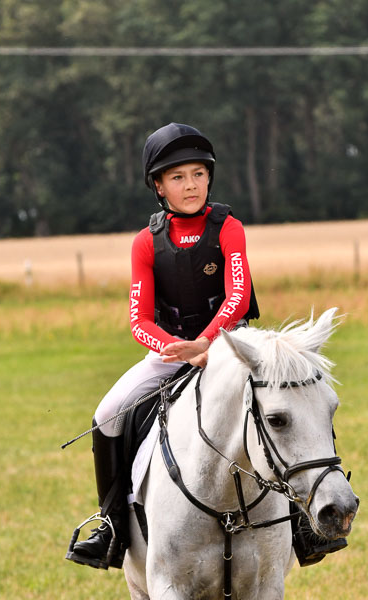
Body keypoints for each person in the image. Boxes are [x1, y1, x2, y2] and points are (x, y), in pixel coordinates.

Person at [67, 122, 259, 570]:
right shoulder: (145, 242)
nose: (190, 185)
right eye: (177, 177)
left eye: (198, 174)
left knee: (288, 387)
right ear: (158, 185)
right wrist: (179, 348)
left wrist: (207, 342)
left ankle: (305, 524)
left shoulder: (229, 228)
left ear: (209, 177)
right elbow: (140, 321)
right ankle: (111, 523)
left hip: (231, 342)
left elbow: (237, 296)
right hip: (170, 351)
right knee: (106, 415)